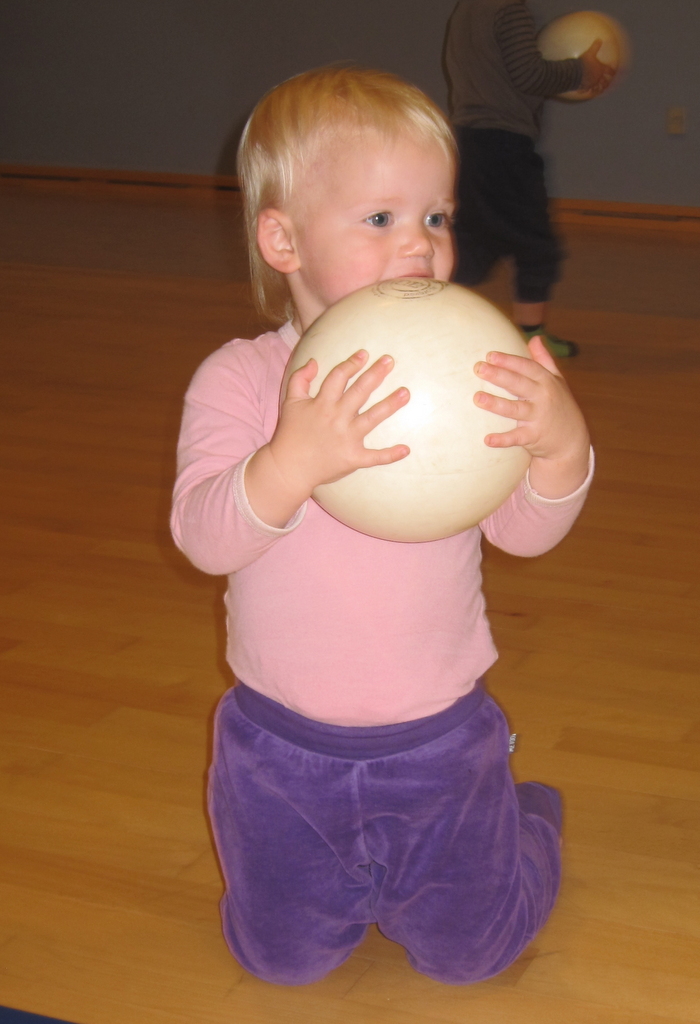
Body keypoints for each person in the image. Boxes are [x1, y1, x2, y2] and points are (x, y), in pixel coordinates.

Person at [171, 65, 593, 986]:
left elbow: (525, 532)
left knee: (471, 955)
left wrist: (562, 449)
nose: (420, 245)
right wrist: (289, 462)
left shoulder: (465, 368)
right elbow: (205, 537)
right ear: (282, 238)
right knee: (277, 961)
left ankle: (526, 821)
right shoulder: (240, 380)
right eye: (380, 217)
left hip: (439, 740)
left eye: (437, 217)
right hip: (276, 745)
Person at [445, 0, 616, 357]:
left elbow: (505, 76)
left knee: (475, 244)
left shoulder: (466, 10)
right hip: (504, 146)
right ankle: (531, 339)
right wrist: (580, 71)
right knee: (536, 246)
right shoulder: (509, 9)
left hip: (470, 144)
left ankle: (424, 313)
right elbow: (530, 75)